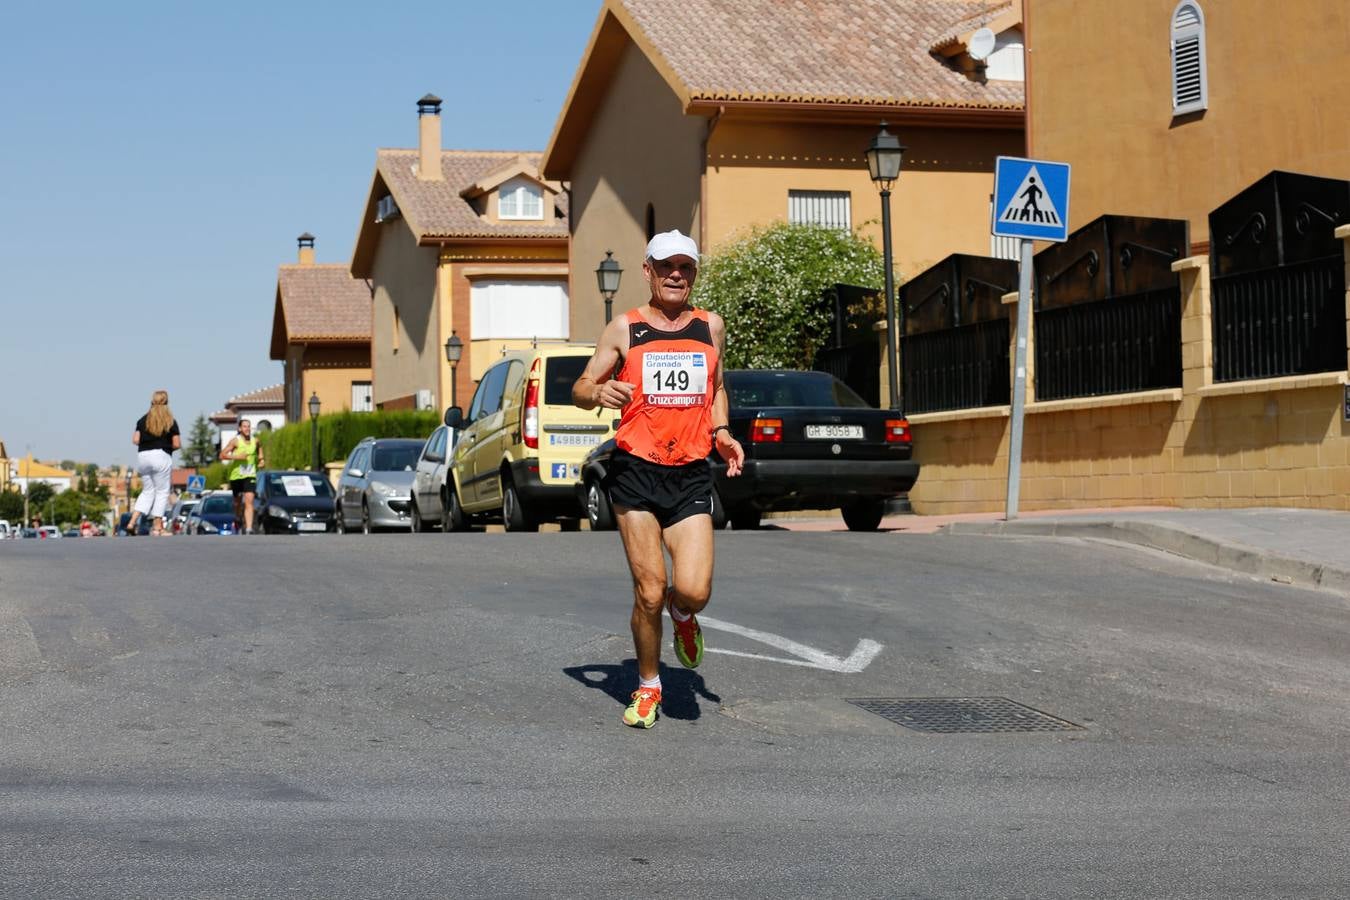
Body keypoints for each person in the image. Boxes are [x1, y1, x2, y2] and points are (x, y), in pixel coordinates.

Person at [572, 230, 745, 729]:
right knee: (650, 590)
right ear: (647, 271)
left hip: (691, 471)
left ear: (693, 273)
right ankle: (648, 684)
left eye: (685, 267)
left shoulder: (711, 326)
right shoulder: (624, 329)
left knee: (693, 589)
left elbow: (716, 387)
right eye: (665, 265)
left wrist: (723, 431)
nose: (675, 274)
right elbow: (583, 384)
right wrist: (597, 393)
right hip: (637, 470)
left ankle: (684, 618)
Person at [128, 389, 181, 536]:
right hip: (161, 456)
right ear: (166, 403)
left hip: (143, 456)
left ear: (152, 402)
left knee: (147, 491)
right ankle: (158, 527)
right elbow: (177, 443)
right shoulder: (170, 421)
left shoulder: (142, 420)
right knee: (162, 492)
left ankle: (132, 522)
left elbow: (135, 440)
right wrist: (166, 446)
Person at [220, 419, 265, 534]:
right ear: (240, 429)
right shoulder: (235, 441)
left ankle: (249, 528)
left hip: (250, 475)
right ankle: (237, 517)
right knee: (237, 503)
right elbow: (222, 455)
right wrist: (237, 457)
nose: (247, 429)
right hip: (236, 476)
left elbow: (260, 448)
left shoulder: (256, 441)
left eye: (248, 426)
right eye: (244, 426)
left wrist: (261, 459)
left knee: (249, 501)